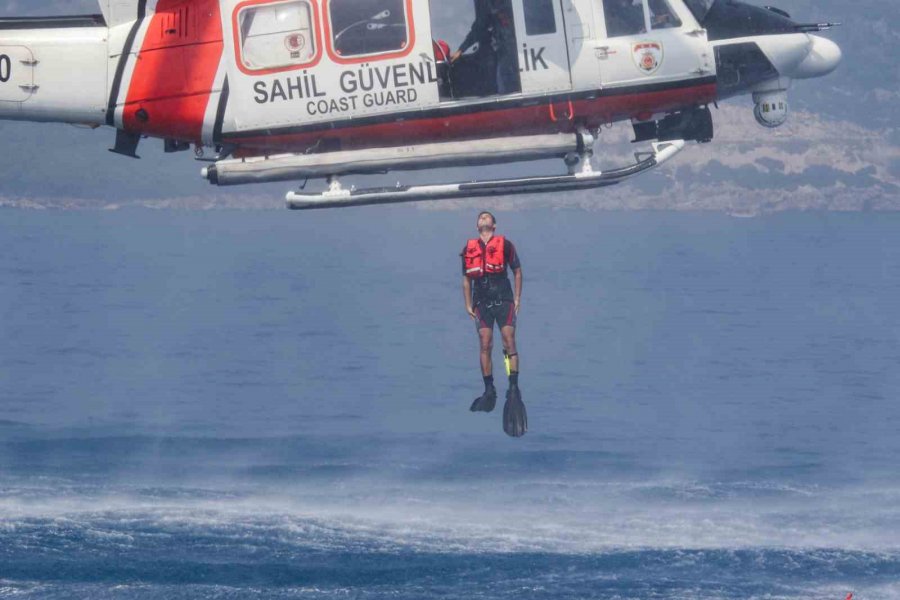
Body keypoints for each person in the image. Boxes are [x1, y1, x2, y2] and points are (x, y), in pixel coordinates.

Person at [461, 211, 527, 437]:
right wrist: (468, 304)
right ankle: (489, 389)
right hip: (482, 304)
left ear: (494, 224)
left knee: (509, 341)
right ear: (477, 225)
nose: (483, 219)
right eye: (480, 217)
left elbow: (517, 271)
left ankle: (514, 385)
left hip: (504, 301)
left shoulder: (506, 245)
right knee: (485, 344)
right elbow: (466, 279)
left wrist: (517, 297)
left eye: (487, 217)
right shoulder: (469, 248)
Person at [450, 0, 520, 95]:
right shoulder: (488, 10)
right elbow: (477, 30)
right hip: (504, 54)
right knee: (502, 83)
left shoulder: (514, 8)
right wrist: (460, 50)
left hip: (518, 52)